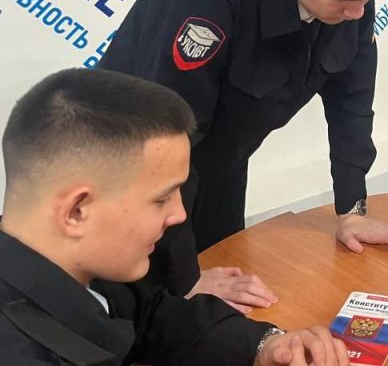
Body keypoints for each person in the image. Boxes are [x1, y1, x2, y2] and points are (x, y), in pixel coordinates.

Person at [99, 0, 388, 312]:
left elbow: (352, 101)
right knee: (146, 311)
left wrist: (352, 209)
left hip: (220, 162)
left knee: (229, 301)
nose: (358, 13)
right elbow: (163, 137)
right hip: (131, 174)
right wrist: (186, 275)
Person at [0, 67, 349, 366]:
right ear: (77, 211)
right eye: (161, 198)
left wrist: (267, 346)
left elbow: (151, 316)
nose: (179, 214)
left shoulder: (79, 266)